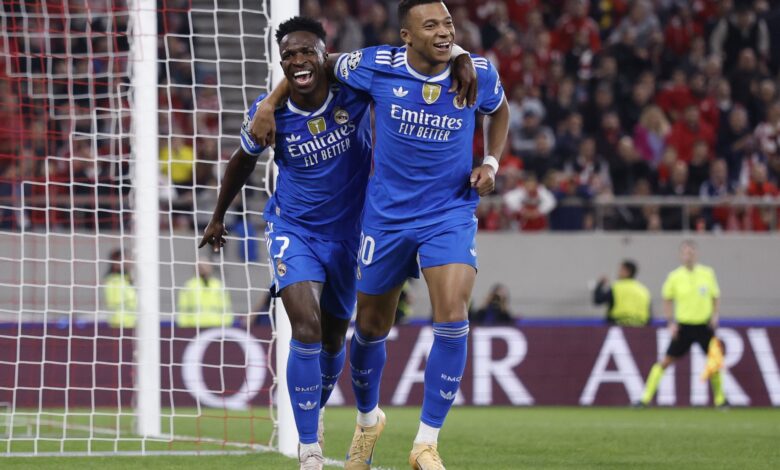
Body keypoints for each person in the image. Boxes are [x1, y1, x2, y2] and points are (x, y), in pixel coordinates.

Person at [202, 15, 475, 470]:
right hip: (295, 229)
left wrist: (461, 55)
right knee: (304, 329)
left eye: (307, 51)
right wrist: (217, 217)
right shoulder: (268, 113)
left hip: (353, 233)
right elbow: (241, 162)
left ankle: (361, 420)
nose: (298, 60)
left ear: (325, 54)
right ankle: (309, 452)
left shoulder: (352, 89)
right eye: (288, 55)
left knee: (335, 342)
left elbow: (407, 61)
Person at [317, 2, 509, 468]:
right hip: (385, 219)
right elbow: (316, 65)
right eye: (431, 26)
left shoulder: (476, 72)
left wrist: (490, 162)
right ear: (406, 35)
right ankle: (367, 421)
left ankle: (426, 442)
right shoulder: (374, 66)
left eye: (448, 25)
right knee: (369, 329)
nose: (444, 32)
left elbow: (500, 112)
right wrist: (270, 101)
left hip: (449, 212)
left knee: (453, 313)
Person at [637, 240, 726, 407]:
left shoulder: (707, 273)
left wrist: (715, 315)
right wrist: (670, 322)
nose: (689, 255)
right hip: (684, 327)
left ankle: (721, 400)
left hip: (704, 326)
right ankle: (645, 398)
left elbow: (715, 296)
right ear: (680, 255)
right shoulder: (674, 276)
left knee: (714, 362)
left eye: (691, 251)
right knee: (665, 361)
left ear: (696, 254)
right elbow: (667, 299)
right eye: (685, 252)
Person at [592, 260, 651, 326]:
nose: (618, 272)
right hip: (641, 328)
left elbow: (598, 300)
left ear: (627, 271)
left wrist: (600, 284)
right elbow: (649, 314)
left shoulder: (616, 287)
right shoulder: (643, 290)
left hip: (619, 326)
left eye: (621, 269)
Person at [176, 262, 233, 328]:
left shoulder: (219, 285)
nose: (203, 268)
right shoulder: (189, 286)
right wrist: (183, 326)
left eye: (206, 266)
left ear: (211, 268)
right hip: (194, 326)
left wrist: (227, 324)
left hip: (217, 325)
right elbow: (183, 308)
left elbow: (226, 307)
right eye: (200, 266)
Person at [103, 248, 137, 328]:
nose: (128, 261)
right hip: (120, 325)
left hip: (130, 323)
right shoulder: (114, 281)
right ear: (116, 262)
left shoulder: (125, 279)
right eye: (125, 258)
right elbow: (116, 304)